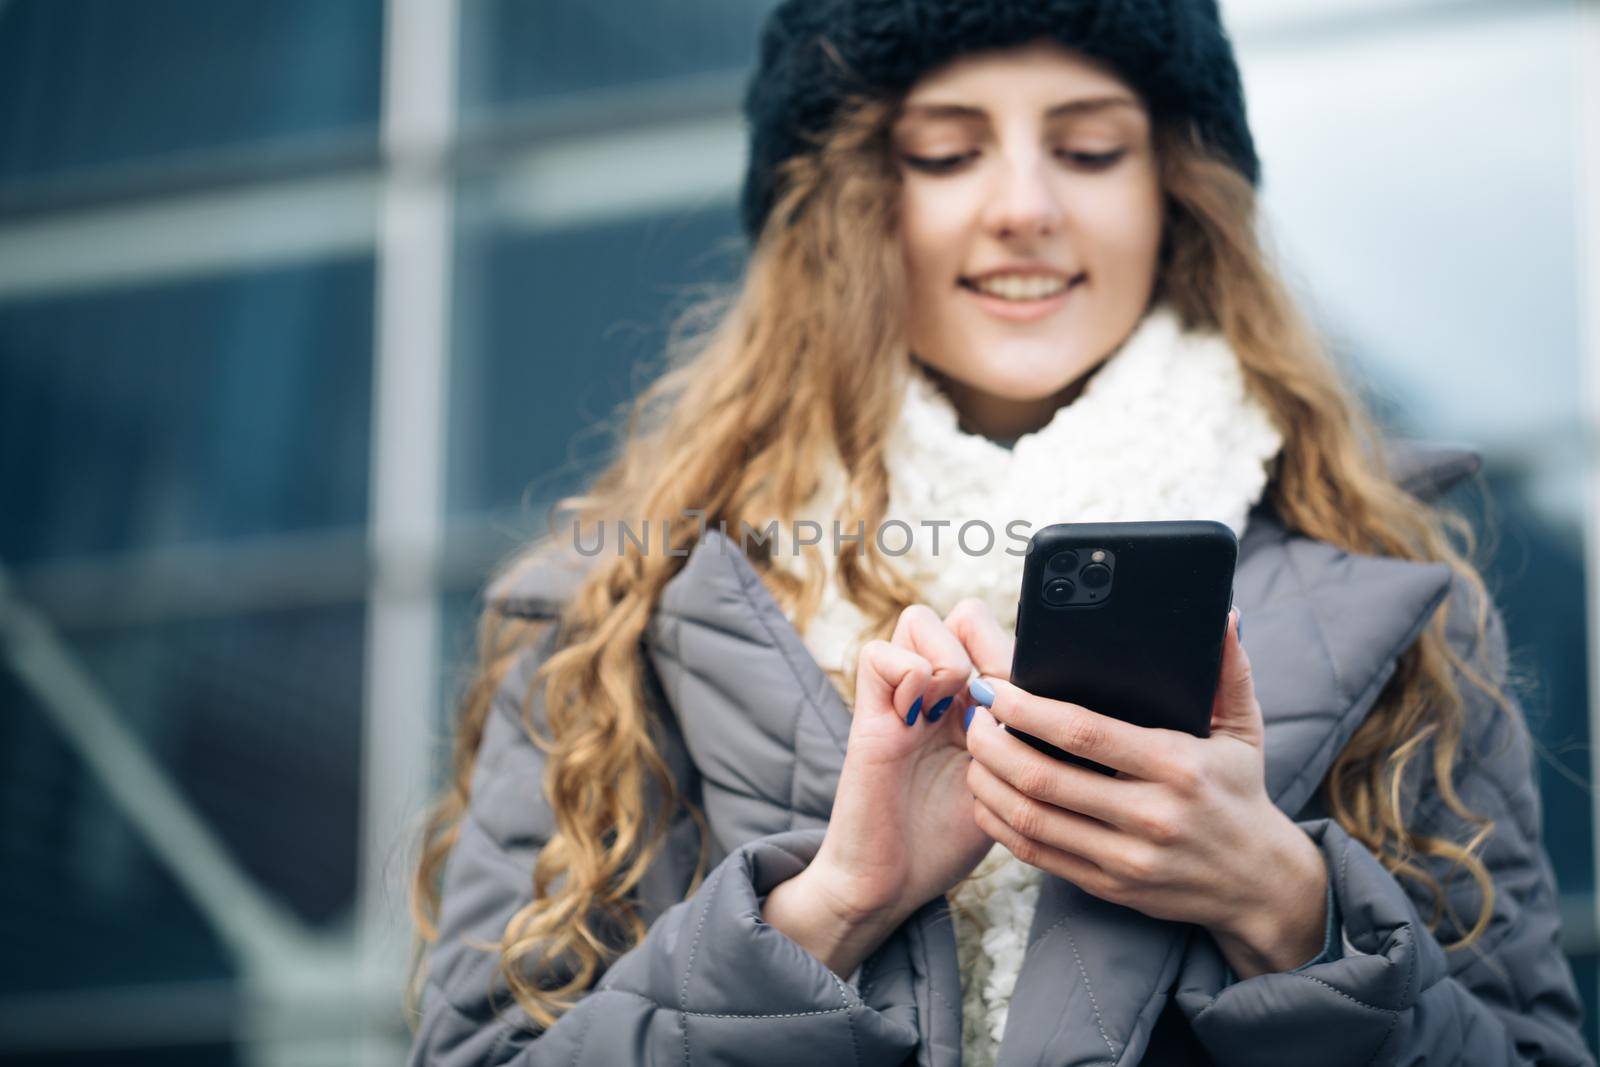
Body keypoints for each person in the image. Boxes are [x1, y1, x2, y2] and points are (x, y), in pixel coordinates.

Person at [406, 2, 1593, 1064]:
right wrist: (828, 910)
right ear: (845, 204)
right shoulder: (610, 604)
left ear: (1175, 191)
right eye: (945, 151)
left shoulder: (1397, 587)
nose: (1024, 206)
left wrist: (1292, 912)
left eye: (1088, 149)